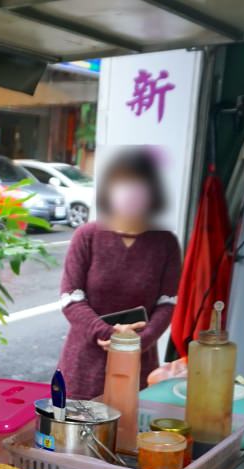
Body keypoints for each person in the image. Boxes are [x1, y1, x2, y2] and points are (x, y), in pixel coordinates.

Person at [57, 150, 182, 400]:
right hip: (85, 360)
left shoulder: (165, 242)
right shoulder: (88, 236)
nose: (132, 192)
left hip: (138, 360)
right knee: (76, 431)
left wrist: (139, 340)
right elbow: (70, 297)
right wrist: (109, 334)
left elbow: (167, 302)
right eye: (124, 183)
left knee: (129, 430)